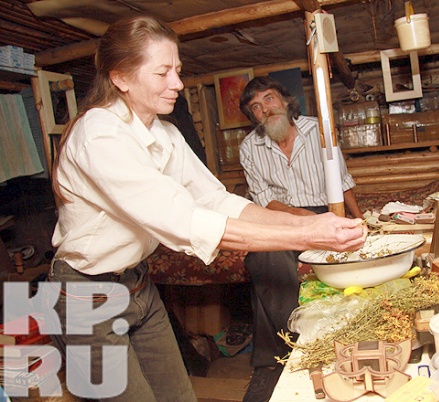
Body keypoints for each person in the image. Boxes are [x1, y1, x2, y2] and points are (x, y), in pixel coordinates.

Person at [48, 16, 367, 402]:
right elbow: (186, 221)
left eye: (178, 71)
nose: (178, 84)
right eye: (163, 72)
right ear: (121, 78)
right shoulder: (99, 135)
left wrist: (317, 221)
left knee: (179, 396)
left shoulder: (163, 133)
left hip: (136, 285)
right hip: (86, 294)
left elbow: (218, 201)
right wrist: (306, 234)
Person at [238, 76, 364, 401]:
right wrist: (304, 221)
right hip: (281, 215)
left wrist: (358, 219)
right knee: (263, 258)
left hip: (327, 207)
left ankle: (273, 357)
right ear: (252, 117)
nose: (265, 109)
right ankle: (298, 344)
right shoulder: (250, 147)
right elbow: (264, 199)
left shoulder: (319, 129)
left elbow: (343, 179)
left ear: (284, 100)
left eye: (269, 99)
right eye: (256, 107)